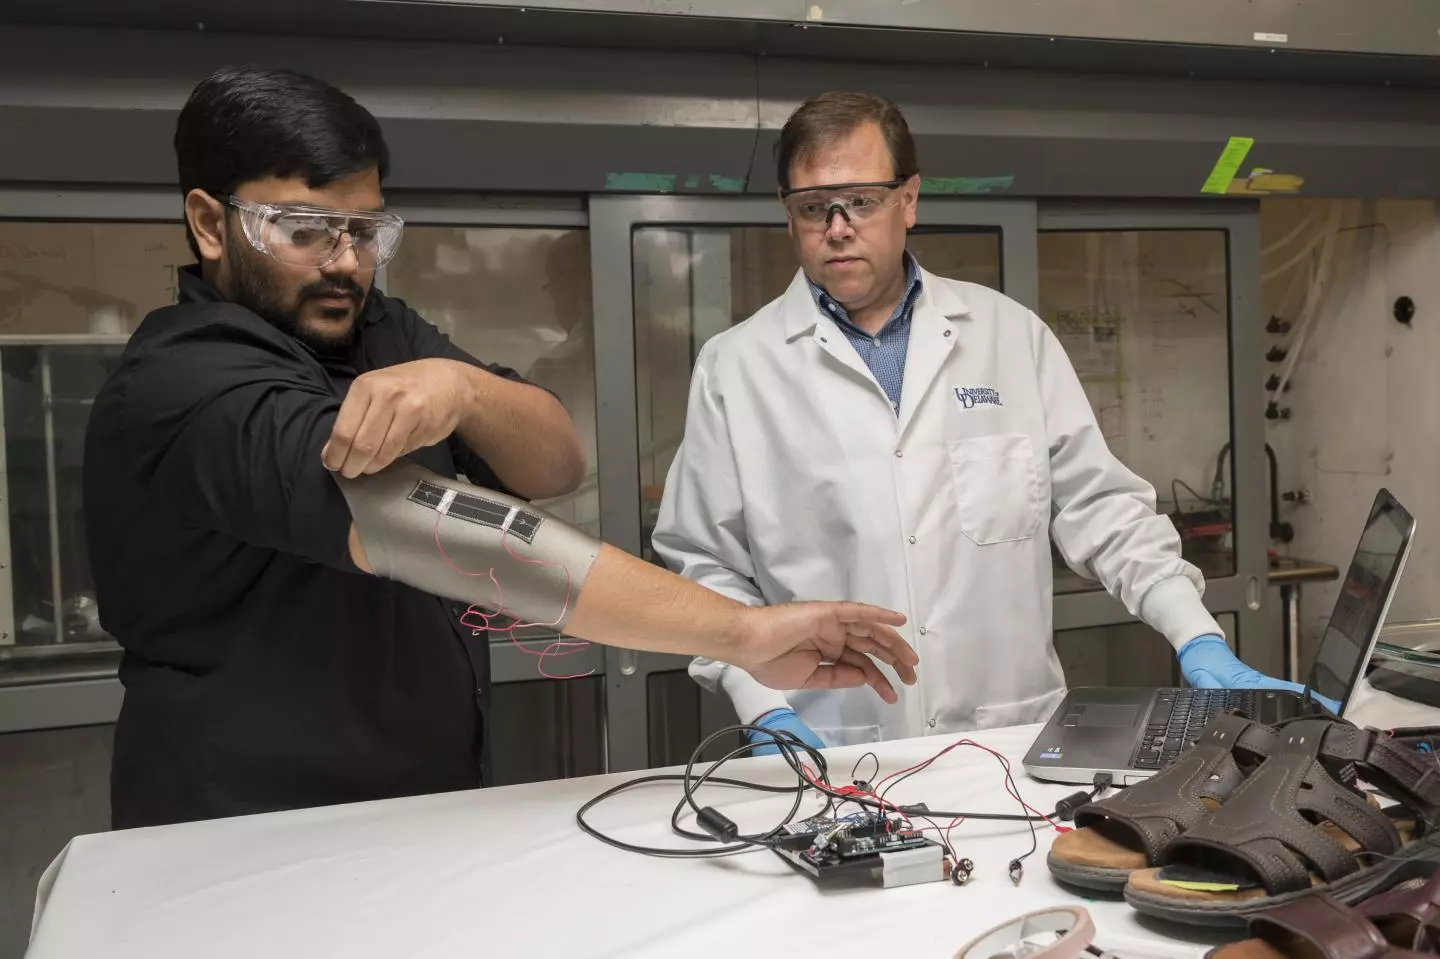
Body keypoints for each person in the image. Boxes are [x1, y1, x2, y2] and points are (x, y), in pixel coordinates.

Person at [84, 69, 917, 830]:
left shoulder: (372, 324)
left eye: (366, 229)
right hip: (246, 826)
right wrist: (740, 631)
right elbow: (444, 535)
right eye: (304, 229)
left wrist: (464, 387)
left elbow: (554, 463)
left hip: (419, 805)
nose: (346, 261)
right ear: (209, 223)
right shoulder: (186, 380)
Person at [653, 91, 1308, 754]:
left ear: (909, 199)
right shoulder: (736, 367)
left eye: (863, 199)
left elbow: (1102, 508)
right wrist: (760, 701)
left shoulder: (1009, 337)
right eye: (814, 206)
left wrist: (1194, 632)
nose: (839, 225)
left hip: (1010, 745)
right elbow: (705, 561)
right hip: (828, 747)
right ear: (789, 216)